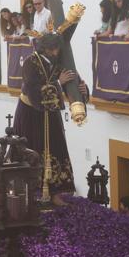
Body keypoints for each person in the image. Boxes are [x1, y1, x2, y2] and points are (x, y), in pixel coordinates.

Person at [13, 34, 82, 198]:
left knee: (58, 149)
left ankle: (56, 193)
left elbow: (72, 80)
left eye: (57, 48)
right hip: (31, 114)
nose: (56, 52)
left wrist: (81, 91)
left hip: (51, 113)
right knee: (32, 151)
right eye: (54, 49)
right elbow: (33, 90)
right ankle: (32, 194)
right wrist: (58, 83)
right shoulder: (30, 63)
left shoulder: (57, 62)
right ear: (47, 48)